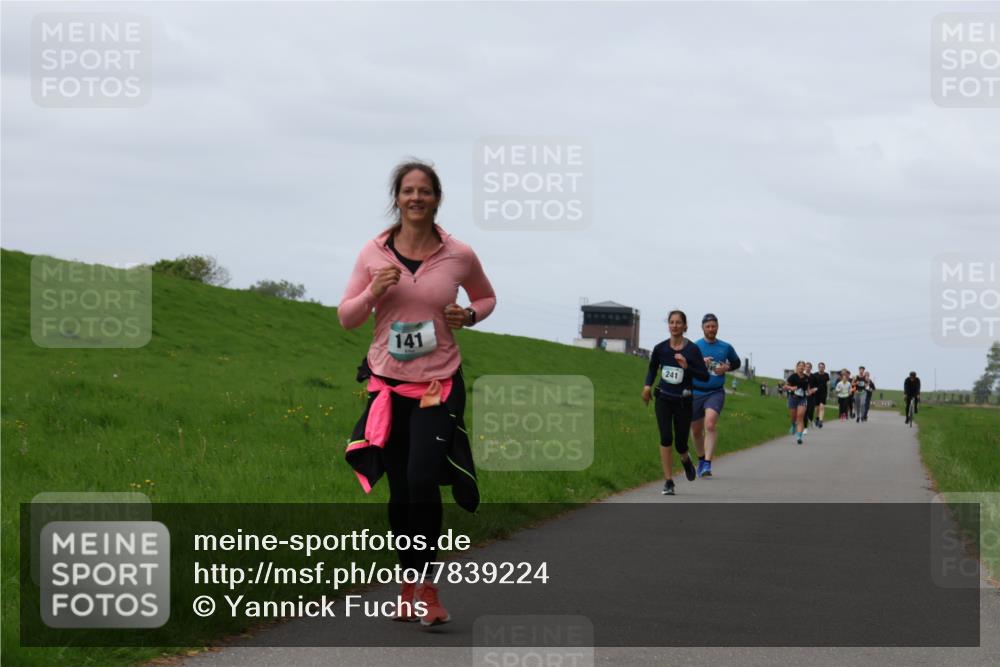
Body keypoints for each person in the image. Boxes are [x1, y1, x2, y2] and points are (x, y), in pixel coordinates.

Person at [339, 160, 496, 626]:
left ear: (436, 198)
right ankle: (408, 583)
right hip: (387, 388)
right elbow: (347, 316)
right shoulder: (373, 253)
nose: (416, 198)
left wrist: (469, 315)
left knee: (423, 479)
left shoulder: (459, 253)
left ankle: (427, 586)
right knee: (402, 489)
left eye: (424, 191)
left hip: (438, 385)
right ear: (397, 197)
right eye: (408, 191)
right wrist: (371, 291)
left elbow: (486, 297)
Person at [642, 310, 710, 495]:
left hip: (684, 401)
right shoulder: (661, 349)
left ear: (685, 326)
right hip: (663, 398)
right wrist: (647, 386)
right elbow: (652, 369)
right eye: (671, 322)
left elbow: (704, 376)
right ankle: (669, 481)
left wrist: (687, 366)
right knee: (665, 438)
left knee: (680, 443)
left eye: (678, 322)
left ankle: (685, 458)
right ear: (668, 325)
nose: (674, 325)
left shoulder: (692, 350)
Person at [691, 313, 741, 478]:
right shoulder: (695, 346)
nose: (711, 329)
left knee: (710, 424)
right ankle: (701, 459)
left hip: (715, 391)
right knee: (696, 430)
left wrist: (726, 368)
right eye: (708, 326)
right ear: (702, 328)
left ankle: (707, 463)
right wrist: (700, 362)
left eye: (714, 326)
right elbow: (686, 366)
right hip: (696, 391)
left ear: (717, 327)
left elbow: (737, 362)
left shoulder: (725, 347)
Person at [783, 361, 811, 444]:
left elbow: (808, 389)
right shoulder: (793, 376)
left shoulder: (806, 378)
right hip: (793, 398)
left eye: (803, 366)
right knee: (794, 417)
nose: (801, 367)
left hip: (802, 399)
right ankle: (793, 425)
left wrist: (810, 392)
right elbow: (785, 386)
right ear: (797, 367)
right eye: (800, 366)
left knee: (800, 417)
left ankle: (799, 437)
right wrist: (791, 388)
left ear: (805, 368)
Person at [812, 362, 831, 428]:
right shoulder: (814, 375)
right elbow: (812, 384)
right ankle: (817, 418)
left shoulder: (826, 375)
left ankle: (820, 421)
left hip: (823, 393)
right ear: (818, 367)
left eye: (822, 367)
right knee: (817, 408)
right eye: (820, 367)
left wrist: (828, 394)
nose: (821, 368)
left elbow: (828, 384)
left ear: (824, 368)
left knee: (822, 407)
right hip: (816, 393)